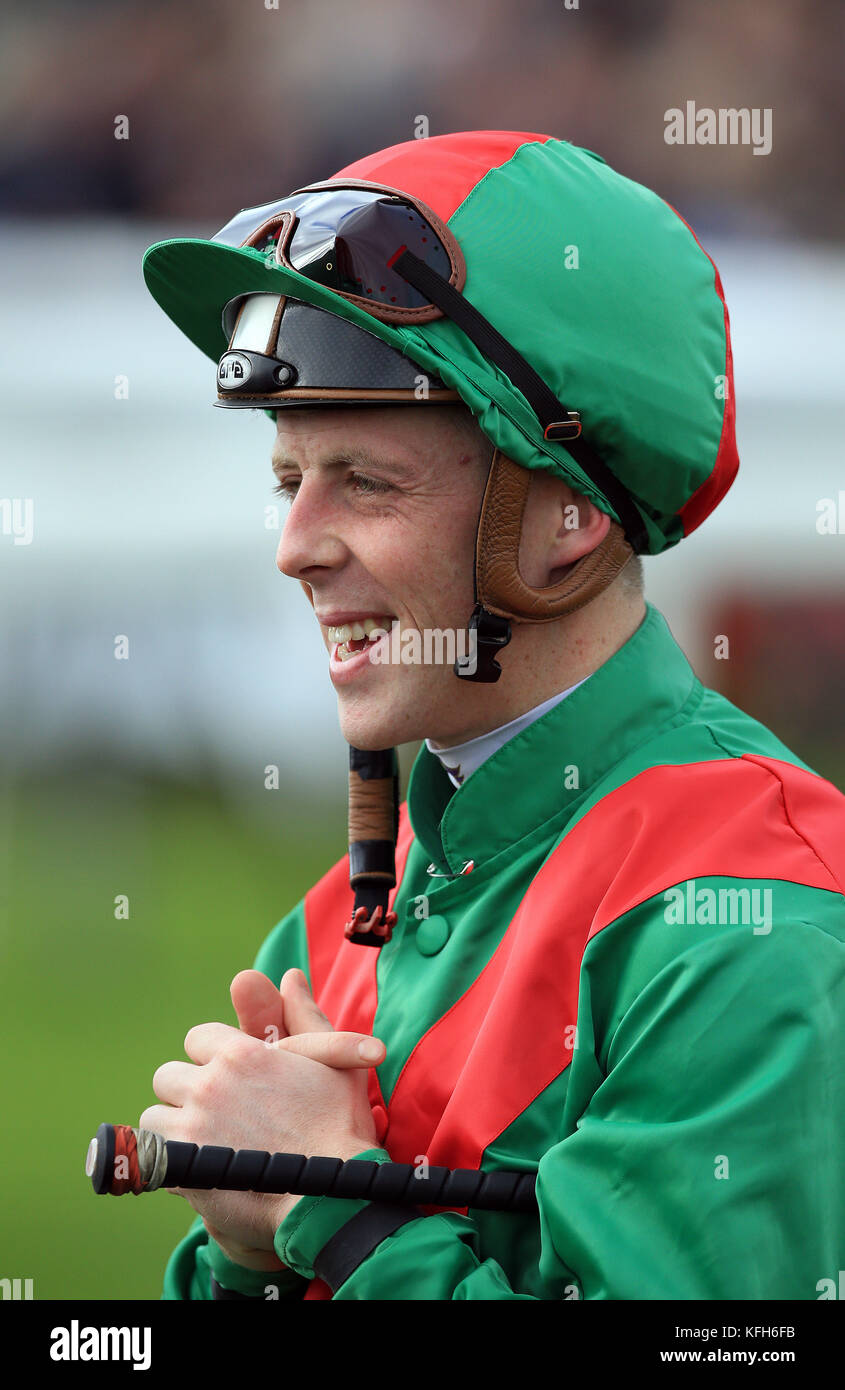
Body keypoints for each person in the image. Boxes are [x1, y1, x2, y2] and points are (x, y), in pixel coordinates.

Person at [141, 131, 845, 1300]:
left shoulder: (754, 921)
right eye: (287, 478)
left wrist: (337, 1212)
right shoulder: (334, 926)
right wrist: (245, 1254)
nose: (294, 547)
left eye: (363, 481)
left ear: (566, 516)